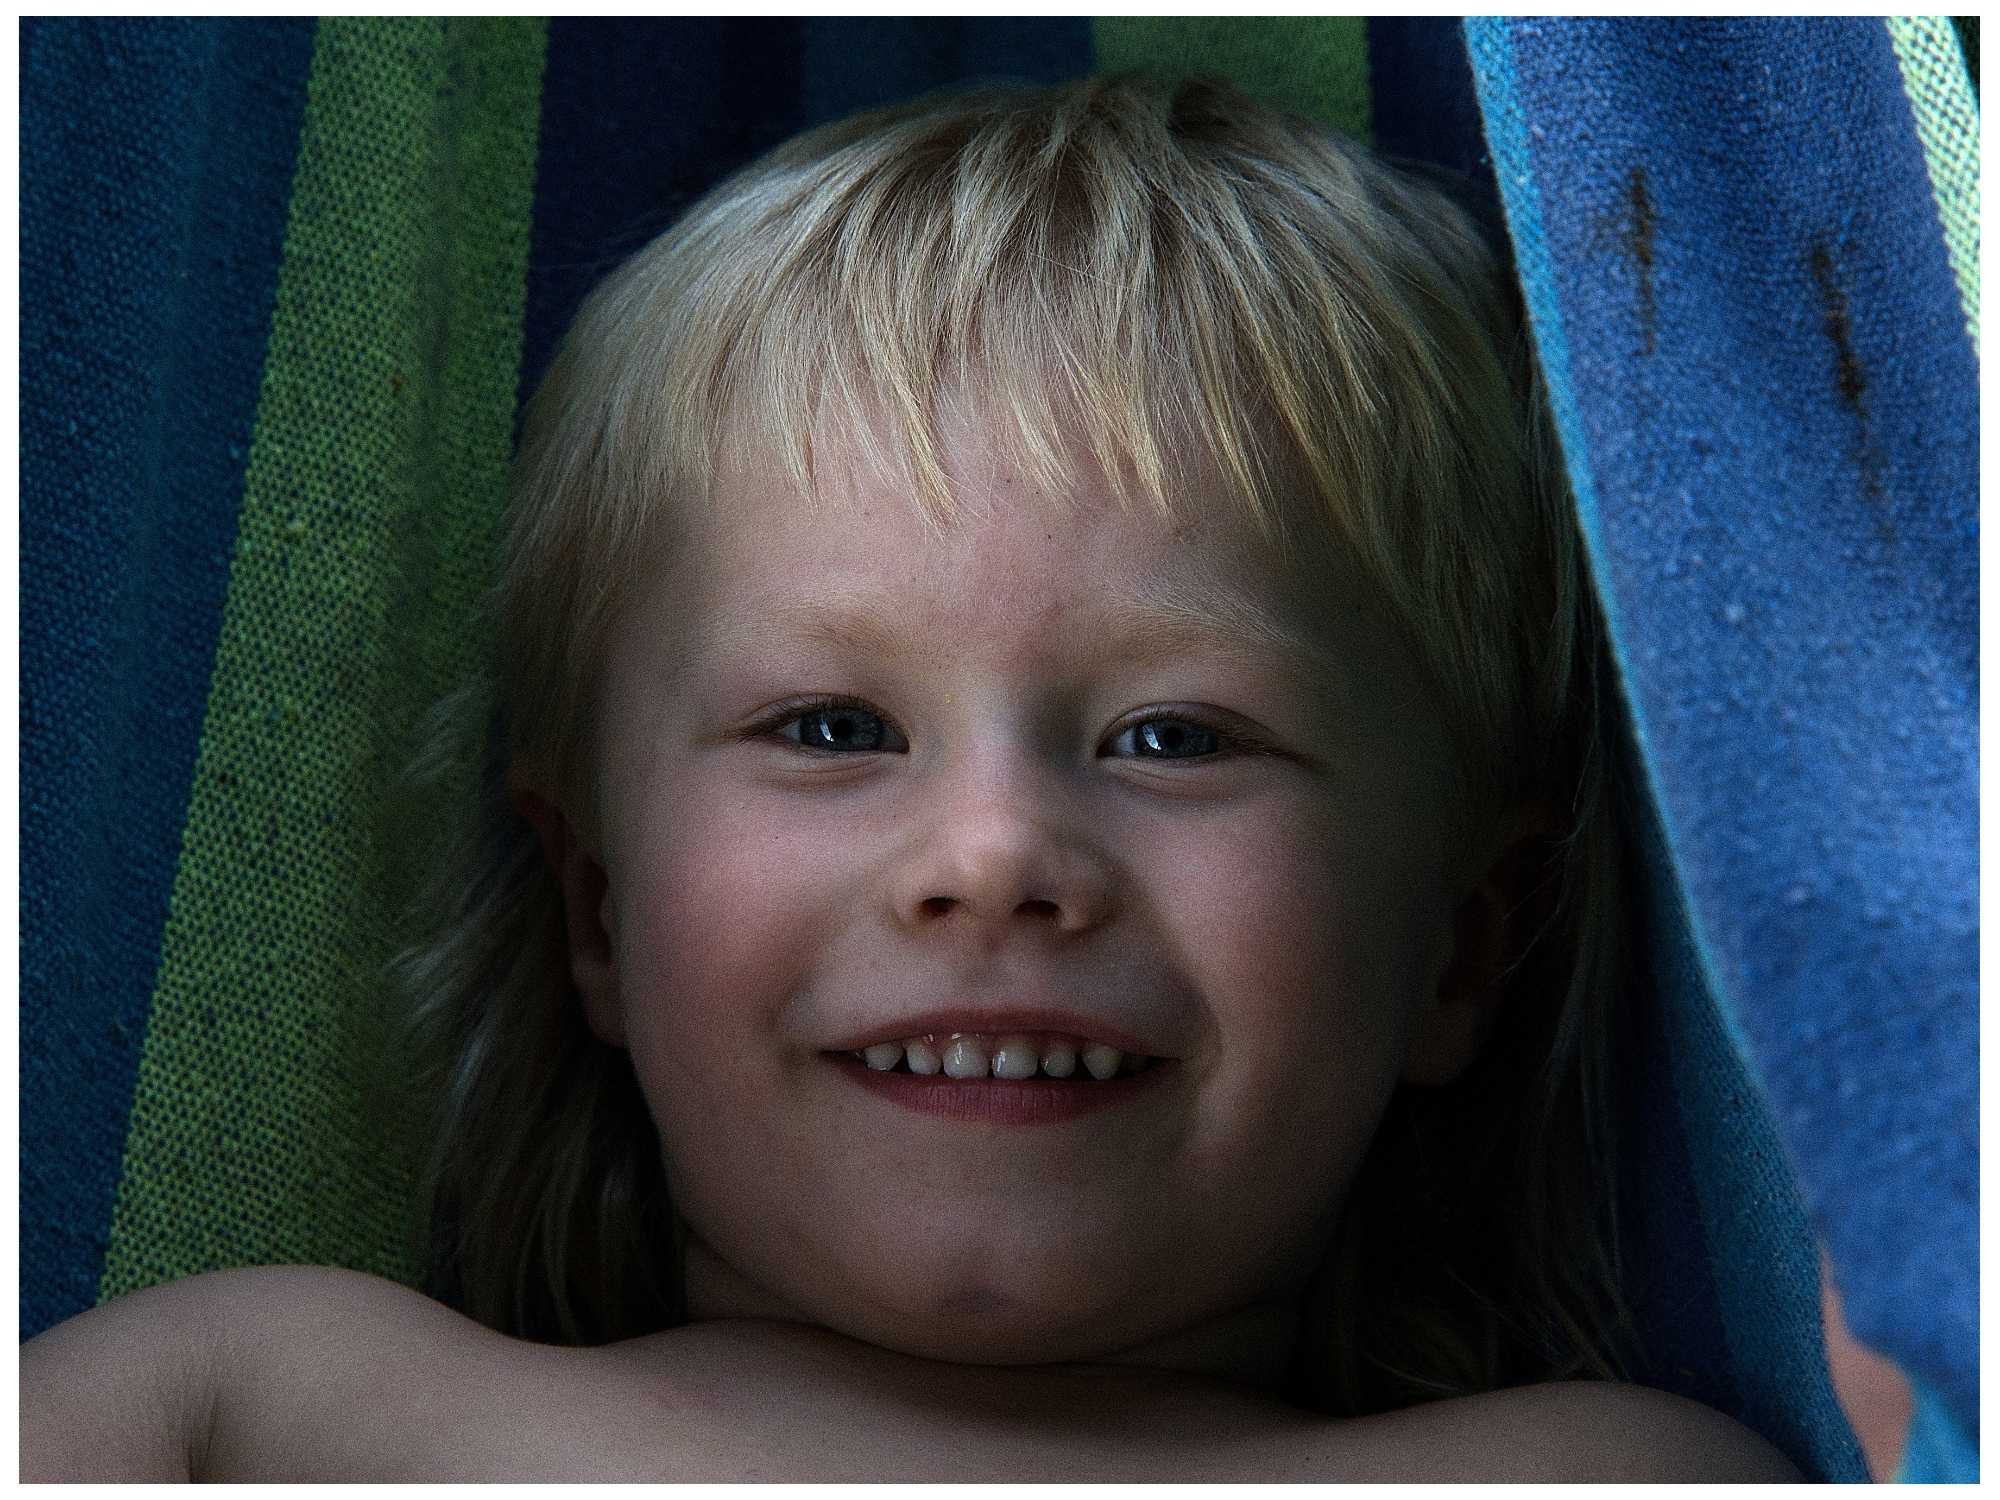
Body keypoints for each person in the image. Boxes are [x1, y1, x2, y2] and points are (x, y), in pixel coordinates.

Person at [21, 75, 1801, 1481]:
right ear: (596, 908)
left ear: (1463, 946)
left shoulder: (1600, 1474)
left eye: (1176, 737)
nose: (996, 853)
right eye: (831, 728)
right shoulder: (260, 1405)